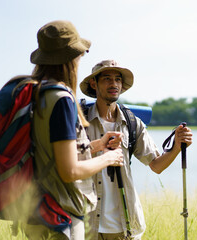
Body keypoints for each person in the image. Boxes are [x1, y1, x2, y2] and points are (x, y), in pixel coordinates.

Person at [18, 21, 124, 240]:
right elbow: (69, 171)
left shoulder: (34, 93)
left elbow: (51, 151)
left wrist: (97, 145)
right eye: (79, 54)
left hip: (33, 211)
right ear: (70, 57)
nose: (80, 59)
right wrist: (109, 158)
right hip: (60, 215)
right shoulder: (62, 99)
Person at [79, 60, 193, 240]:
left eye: (117, 79)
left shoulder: (133, 123)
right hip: (84, 226)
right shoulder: (79, 121)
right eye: (107, 78)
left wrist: (177, 146)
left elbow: (156, 166)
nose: (114, 83)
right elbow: (66, 161)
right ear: (94, 83)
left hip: (125, 225)